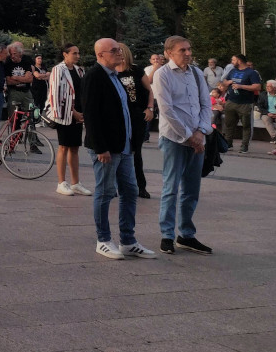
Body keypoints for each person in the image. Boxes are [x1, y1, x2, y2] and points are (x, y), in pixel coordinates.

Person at [84, 38, 153, 260]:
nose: (119, 53)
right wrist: (100, 147)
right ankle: (103, 240)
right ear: (101, 55)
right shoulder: (95, 77)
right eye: (113, 51)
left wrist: (132, 144)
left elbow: (123, 112)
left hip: (123, 147)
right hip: (106, 149)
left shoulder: (116, 77)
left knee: (130, 191)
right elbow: (91, 115)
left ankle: (128, 241)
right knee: (105, 192)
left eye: (119, 50)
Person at [152, 35, 213, 255]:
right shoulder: (162, 75)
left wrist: (201, 131)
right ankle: (167, 234)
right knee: (171, 187)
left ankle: (186, 234)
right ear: (169, 53)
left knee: (192, 189)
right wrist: (189, 135)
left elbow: (207, 105)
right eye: (182, 50)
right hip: (174, 139)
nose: (188, 53)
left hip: (197, 138)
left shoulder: (197, 73)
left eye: (189, 49)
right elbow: (167, 110)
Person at [49, 44, 89, 196]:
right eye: (74, 53)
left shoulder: (79, 70)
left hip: (78, 113)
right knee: (64, 147)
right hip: (64, 114)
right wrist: (73, 112)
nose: (77, 56)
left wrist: (82, 111)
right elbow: (55, 94)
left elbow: (81, 91)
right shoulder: (58, 69)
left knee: (75, 148)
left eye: (78, 53)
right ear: (65, 54)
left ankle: (75, 182)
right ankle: (61, 182)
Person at [114, 44, 154, 198]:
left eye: (120, 52)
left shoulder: (136, 70)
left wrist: (150, 108)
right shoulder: (111, 73)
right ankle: (119, 186)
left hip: (137, 115)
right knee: (118, 152)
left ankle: (140, 186)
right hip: (118, 117)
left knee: (136, 152)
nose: (119, 55)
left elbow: (149, 90)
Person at [221, 53, 261, 153]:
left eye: (233, 60)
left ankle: (244, 146)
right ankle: (228, 143)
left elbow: (257, 87)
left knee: (246, 126)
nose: (232, 62)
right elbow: (224, 82)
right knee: (229, 124)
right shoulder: (233, 71)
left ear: (239, 61)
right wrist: (228, 82)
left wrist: (241, 86)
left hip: (245, 103)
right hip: (231, 101)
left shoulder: (251, 73)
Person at [4, 42, 34, 120]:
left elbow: (30, 79)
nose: (12, 56)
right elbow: (9, 81)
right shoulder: (8, 63)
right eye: (11, 54)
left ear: (20, 53)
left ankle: (30, 130)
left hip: (26, 91)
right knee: (14, 117)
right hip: (14, 92)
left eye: (14, 53)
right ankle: (16, 132)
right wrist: (24, 79)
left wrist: (16, 77)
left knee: (31, 114)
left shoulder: (26, 61)